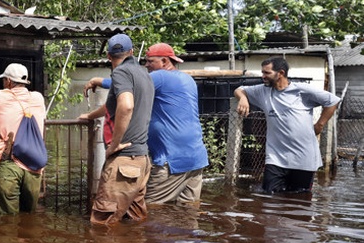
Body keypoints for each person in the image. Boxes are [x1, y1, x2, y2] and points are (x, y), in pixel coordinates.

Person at [81, 42, 209, 206]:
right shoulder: (187, 79)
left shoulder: (160, 77)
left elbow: (124, 88)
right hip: (196, 159)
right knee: (186, 213)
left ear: (164, 61)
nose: (146, 65)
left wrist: (96, 82)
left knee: (149, 210)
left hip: (171, 160)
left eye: (150, 61)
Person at [233, 57, 340, 194]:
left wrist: (320, 125)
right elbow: (239, 89)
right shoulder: (262, 91)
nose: (263, 76)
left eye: (267, 73)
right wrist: (243, 98)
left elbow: (332, 101)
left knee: (300, 200)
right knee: (269, 198)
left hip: (304, 157)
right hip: (276, 158)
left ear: (281, 73)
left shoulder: (301, 91)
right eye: (262, 72)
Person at [89, 33, 153, 226]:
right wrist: (89, 116)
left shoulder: (120, 73)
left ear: (109, 56)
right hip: (142, 160)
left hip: (124, 161)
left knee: (101, 224)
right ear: (132, 52)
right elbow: (117, 105)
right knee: (134, 221)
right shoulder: (145, 74)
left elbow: (125, 106)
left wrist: (114, 144)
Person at [0, 63, 47, 215]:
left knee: (7, 218)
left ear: (8, 81)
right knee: (30, 216)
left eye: (4, 81)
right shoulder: (37, 98)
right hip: (35, 161)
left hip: (10, 160)